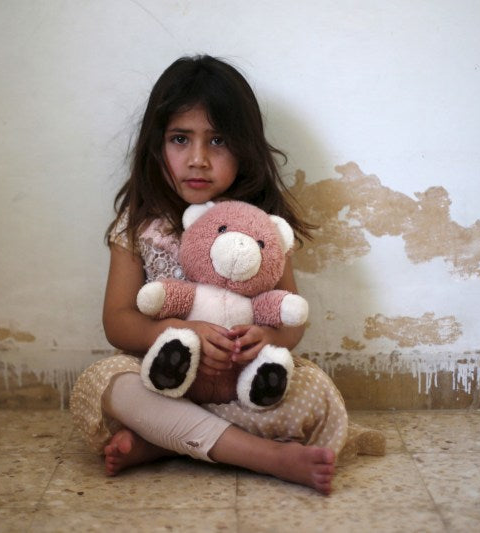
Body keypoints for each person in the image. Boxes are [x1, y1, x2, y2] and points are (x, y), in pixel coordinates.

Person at [70, 55, 384, 496]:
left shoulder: (263, 224)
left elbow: (290, 319)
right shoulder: (138, 223)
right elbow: (117, 321)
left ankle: (166, 440)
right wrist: (182, 329)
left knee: (316, 392)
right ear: (155, 145)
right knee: (105, 383)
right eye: (180, 139)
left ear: (244, 147)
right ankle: (267, 456)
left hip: (242, 385)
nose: (197, 160)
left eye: (217, 140)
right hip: (165, 382)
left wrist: (267, 340)